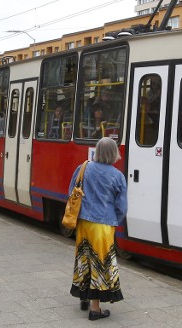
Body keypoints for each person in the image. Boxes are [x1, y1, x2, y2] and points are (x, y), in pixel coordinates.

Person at [69, 137, 127, 321]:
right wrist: (113, 220)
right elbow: (122, 207)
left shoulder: (83, 167)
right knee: (100, 264)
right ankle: (95, 309)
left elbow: (71, 191)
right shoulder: (117, 176)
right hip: (103, 225)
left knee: (84, 259)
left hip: (84, 223)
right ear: (113, 153)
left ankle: (84, 297)